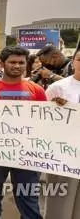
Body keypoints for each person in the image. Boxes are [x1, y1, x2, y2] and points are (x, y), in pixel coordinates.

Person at [0, 46, 46, 219]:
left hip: (28, 152)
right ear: (3, 64)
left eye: (21, 62)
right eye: (12, 62)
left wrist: (58, 107)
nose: (17, 66)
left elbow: (46, 121)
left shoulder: (36, 90)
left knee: (28, 193)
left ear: (26, 64)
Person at [43, 48, 80, 219]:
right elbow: (41, 117)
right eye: (79, 59)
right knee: (59, 201)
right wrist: (54, 107)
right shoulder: (58, 87)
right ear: (73, 62)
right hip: (64, 154)